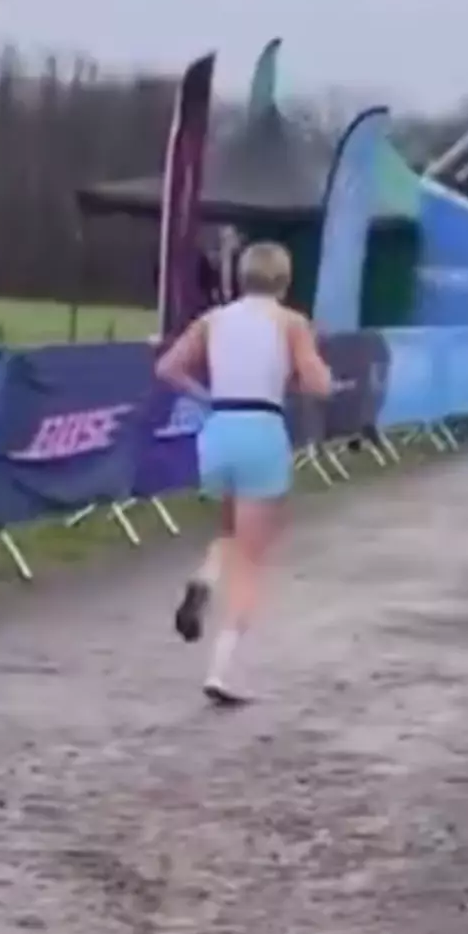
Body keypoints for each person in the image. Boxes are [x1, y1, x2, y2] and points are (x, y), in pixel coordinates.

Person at [156, 241, 332, 705]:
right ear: (285, 281)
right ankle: (222, 668)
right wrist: (302, 372)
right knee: (252, 560)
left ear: (240, 277)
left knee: (231, 530)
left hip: (218, 428)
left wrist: (205, 395)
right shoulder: (291, 323)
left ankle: (205, 578)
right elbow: (319, 384)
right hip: (262, 429)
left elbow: (169, 368)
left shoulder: (213, 320)